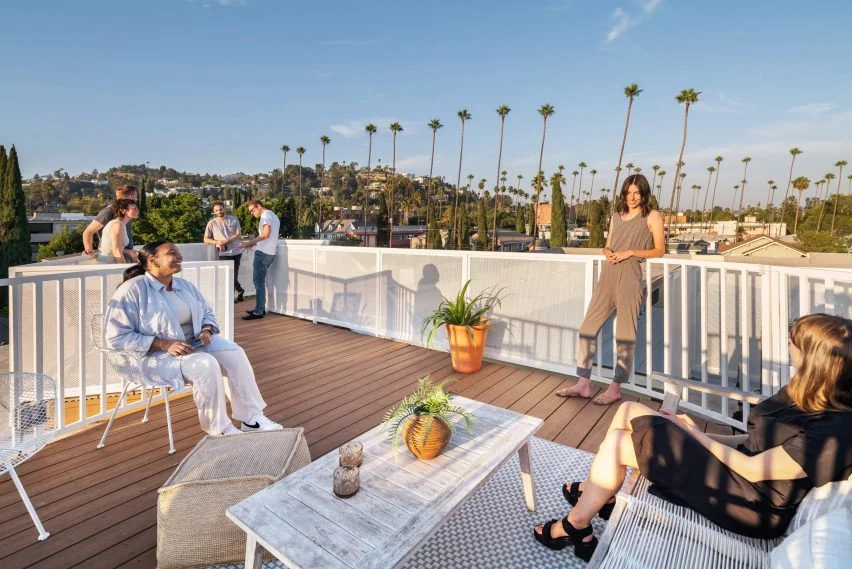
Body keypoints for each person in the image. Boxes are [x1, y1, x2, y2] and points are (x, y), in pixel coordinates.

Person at [534, 313, 852, 561]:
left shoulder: (836, 430)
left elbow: (757, 470)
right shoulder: (804, 392)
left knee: (621, 433)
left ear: (818, 360)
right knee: (628, 416)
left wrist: (690, 435)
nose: (788, 344)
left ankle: (579, 519)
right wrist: (699, 433)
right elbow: (751, 443)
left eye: (795, 341)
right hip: (735, 475)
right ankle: (593, 500)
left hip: (751, 503)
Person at [103, 241, 284, 436]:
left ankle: (251, 418)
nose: (179, 256)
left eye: (179, 252)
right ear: (153, 261)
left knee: (234, 354)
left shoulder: (184, 286)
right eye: (172, 252)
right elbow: (116, 336)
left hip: (194, 344)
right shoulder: (133, 290)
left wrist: (206, 330)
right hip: (153, 355)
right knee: (205, 364)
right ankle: (219, 428)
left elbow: (207, 313)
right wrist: (163, 344)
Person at [557, 174, 664, 405]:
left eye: (637, 192)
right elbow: (608, 245)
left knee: (625, 334)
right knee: (587, 327)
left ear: (644, 194)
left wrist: (630, 252)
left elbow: (659, 250)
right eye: (629, 192)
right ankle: (583, 383)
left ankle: (615, 387)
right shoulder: (616, 216)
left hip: (630, 275)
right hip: (608, 273)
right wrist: (607, 252)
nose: (632, 197)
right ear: (624, 194)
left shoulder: (652, 216)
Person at [239, 199, 280, 321]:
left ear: (258, 206)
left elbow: (265, 234)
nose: (252, 213)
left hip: (263, 253)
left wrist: (249, 243)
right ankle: (260, 307)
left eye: (252, 210)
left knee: (258, 282)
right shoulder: (273, 215)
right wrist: (253, 244)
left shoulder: (265, 215)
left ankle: (258, 311)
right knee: (260, 281)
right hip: (270, 252)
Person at [83, 185, 139, 262]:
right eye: (136, 196)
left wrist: (128, 251)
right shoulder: (108, 212)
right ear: (131, 196)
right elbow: (88, 231)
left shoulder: (125, 216)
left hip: (124, 254)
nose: (137, 199)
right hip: (113, 258)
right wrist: (88, 250)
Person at [204, 201, 245, 302]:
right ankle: (238, 291)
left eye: (220, 209)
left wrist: (226, 240)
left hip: (236, 252)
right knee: (227, 276)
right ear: (214, 212)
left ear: (224, 208)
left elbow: (238, 234)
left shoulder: (234, 219)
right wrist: (217, 242)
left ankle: (232, 297)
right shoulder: (211, 223)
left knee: (233, 275)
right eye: (216, 210)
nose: (219, 211)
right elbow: (206, 239)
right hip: (223, 253)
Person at [96, 199, 138, 263]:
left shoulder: (121, 224)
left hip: (112, 261)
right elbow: (116, 251)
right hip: (109, 263)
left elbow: (114, 248)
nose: (137, 210)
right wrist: (124, 269)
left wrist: (128, 251)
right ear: (123, 210)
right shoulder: (117, 225)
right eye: (134, 208)